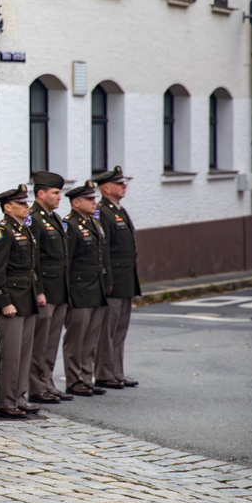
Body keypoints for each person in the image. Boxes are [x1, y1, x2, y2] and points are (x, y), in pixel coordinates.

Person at [0, 184, 46, 419]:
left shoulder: (24, 229)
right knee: (10, 355)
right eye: (21, 204)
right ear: (7, 207)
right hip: (11, 302)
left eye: (26, 202)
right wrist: (4, 302)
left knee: (23, 354)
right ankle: (6, 402)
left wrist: (38, 292)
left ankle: (20, 398)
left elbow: (31, 267)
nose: (26, 206)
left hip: (27, 299)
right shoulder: (2, 232)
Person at [62, 180, 111, 397]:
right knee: (77, 338)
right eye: (89, 199)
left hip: (95, 288)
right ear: (75, 203)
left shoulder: (93, 223)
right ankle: (74, 380)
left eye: (94, 198)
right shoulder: (70, 225)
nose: (94, 202)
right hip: (79, 290)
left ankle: (86, 376)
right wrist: (69, 293)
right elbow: (67, 262)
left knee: (91, 338)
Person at [28, 171, 73, 405]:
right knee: (40, 342)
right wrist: (38, 290)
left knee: (51, 341)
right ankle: (36, 386)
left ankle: (47, 383)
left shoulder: (53, 218)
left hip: (59, 289)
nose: (59, 197)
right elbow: (33, 258)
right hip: (45, 290)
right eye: (56, 193)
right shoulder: (34, 218)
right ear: (41, 193)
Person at [94, 165, 140, 388]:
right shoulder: (102, 212)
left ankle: (117, 370)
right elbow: (103, 250)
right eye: (119, 183)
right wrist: (107, 280)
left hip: (125, 279)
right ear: (105, 189)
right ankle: (104, 372)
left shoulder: (118, 210)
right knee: (108, 329)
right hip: (113, 280)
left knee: (120, 327)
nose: (124, 186)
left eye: (124, 182)